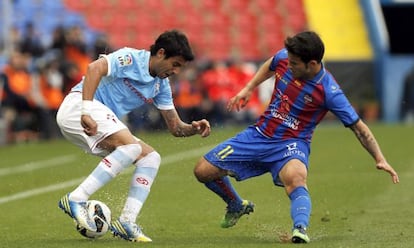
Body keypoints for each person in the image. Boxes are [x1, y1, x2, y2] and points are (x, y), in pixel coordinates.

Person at [193, 31, 399, 244]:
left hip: (291, 144)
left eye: (294, 63)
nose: (288, 65)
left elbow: (359, 128)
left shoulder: (329, 91)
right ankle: (236, 204)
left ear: (312, 64)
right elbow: (271, 63)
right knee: (202, 171)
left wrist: (379, 158)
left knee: (296, 177)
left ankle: (299, 229)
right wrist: (248, 88)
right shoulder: (285, 58)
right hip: (259, 134)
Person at [56, 30, 211, 242]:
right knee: (131, 147)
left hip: (99, 118)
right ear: (161, 53)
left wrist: (193, 128)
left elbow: (175, 128)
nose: (176, 71)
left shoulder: (161, 85)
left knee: (150, 157)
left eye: (180, 67)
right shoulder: (131, 58)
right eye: (175, 64)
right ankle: (76, 198)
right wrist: (86, 111)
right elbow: (94, 68)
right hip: (78, 108)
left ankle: (127, 221)